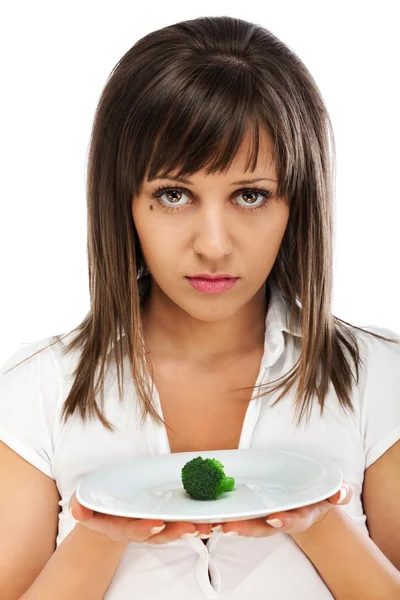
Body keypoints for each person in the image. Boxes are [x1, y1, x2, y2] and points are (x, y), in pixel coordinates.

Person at [1, 14, 400, 600]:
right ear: (124, 203)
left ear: (297, 203)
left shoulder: (379, 379)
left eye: (249, 195)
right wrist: (100, 535)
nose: (214, 244)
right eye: (174, 195)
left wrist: (318, 524)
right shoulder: (35, 391)